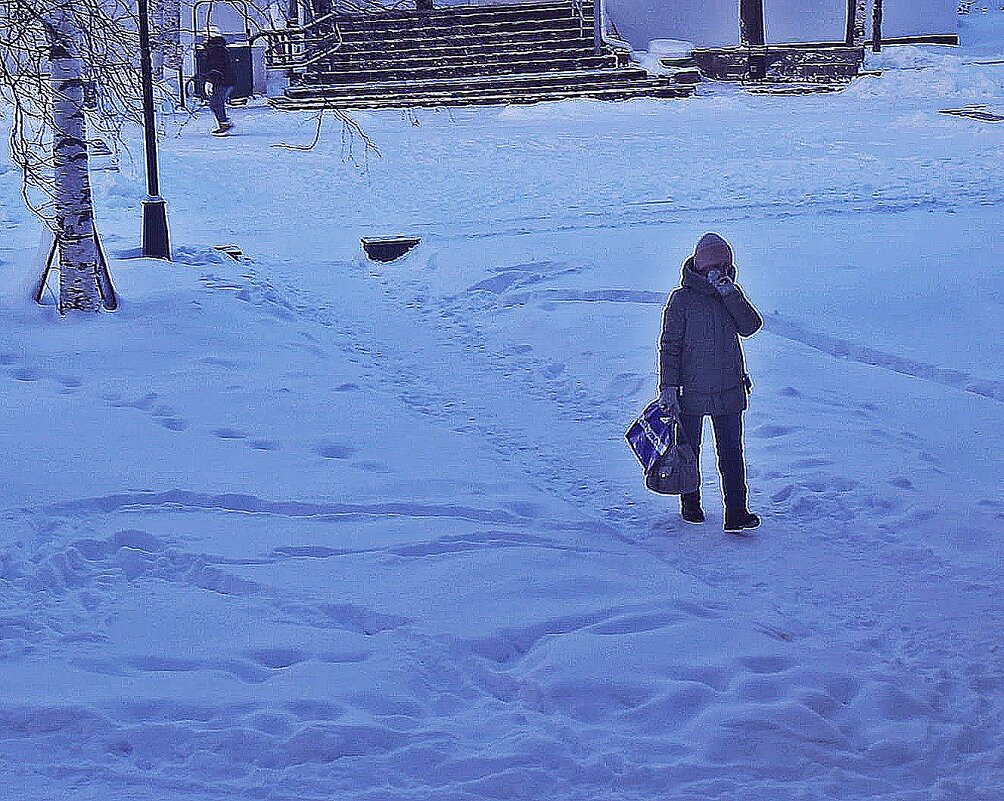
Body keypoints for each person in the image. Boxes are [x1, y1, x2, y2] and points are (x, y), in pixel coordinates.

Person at [658, 232, 763, 532]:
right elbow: (670, 346)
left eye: (726, 265)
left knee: (731, 454)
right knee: (689, 452)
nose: (720, 270)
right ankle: (690, 504)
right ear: (700, 266)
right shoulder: (682, 300)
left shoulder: (730, 295)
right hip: (689, 392)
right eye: (714, 265)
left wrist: (731, 294)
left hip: (729, 389)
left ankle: (737, 512)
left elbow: (751, 327)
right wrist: (668, 387)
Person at [201, 27, 237, 135]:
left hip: (222, 81)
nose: (204, 38)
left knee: (216, 103)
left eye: (205, 36)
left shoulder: (215, 49)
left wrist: (210, 80)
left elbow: (215, 67)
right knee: (216, 103)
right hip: (224, 80)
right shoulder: (218, 48)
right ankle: (223, 123)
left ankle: (224, 124)